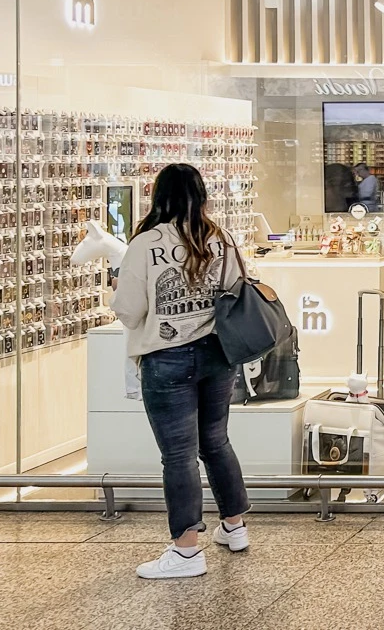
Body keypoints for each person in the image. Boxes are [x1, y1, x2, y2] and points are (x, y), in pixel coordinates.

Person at [112, 163, 251, 579]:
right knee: (216, 441)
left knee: (178, 455)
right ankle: (234, 526)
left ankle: (187, 551)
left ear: (158, 195)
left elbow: (129, 311)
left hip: (166, 356)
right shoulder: (218, 238)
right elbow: (238, 289)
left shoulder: (144, 244)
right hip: (217, 354)